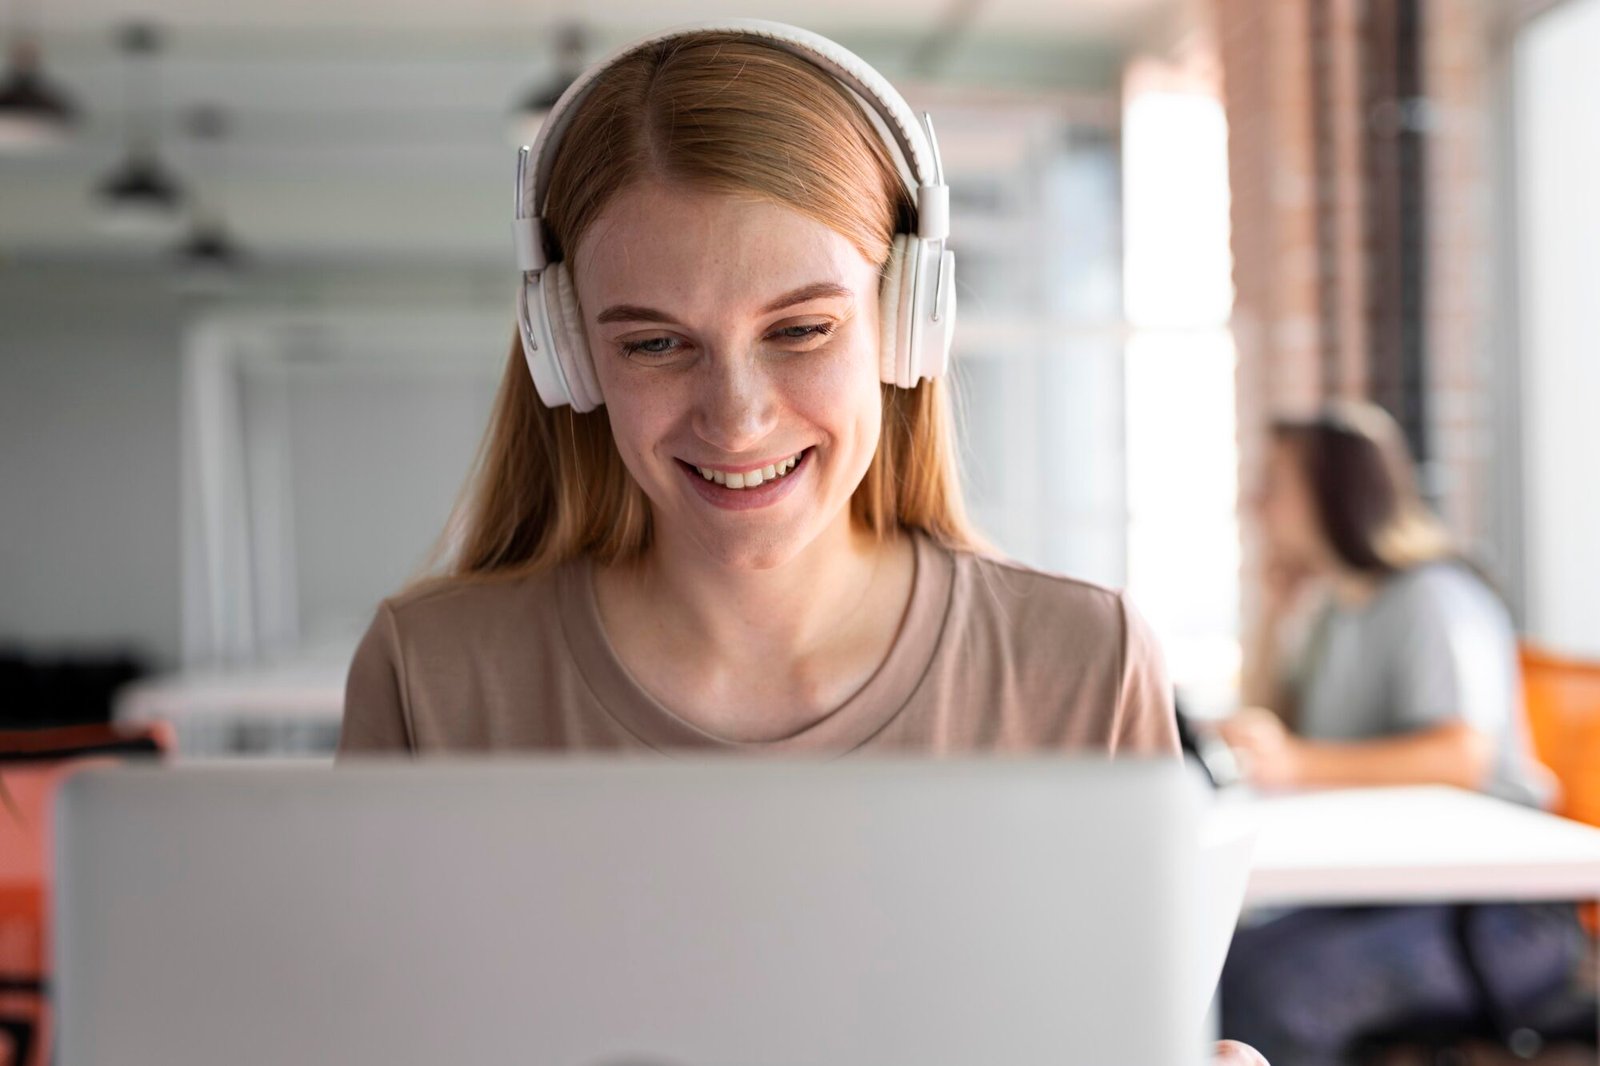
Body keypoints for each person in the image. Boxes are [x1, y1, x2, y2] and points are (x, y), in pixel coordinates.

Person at [338, 21, 1265, 1065]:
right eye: (653, 343)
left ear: (908, 321)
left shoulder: (1078, 662)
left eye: (800, 329)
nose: (735, 419)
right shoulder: (434, 675)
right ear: (569, 357)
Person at [1216, 401, 1587, 1065]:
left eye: (1276, 484)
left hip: (1494, 919)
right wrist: (1274, 608)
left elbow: (1459, 756)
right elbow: (1281, 728)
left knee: (1273, 993)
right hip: (1380, 900)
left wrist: (1297, 763)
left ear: (1334, 491)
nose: (1256, 503)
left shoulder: (1435, 598)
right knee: (1218, 964)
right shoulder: (1333, 611)